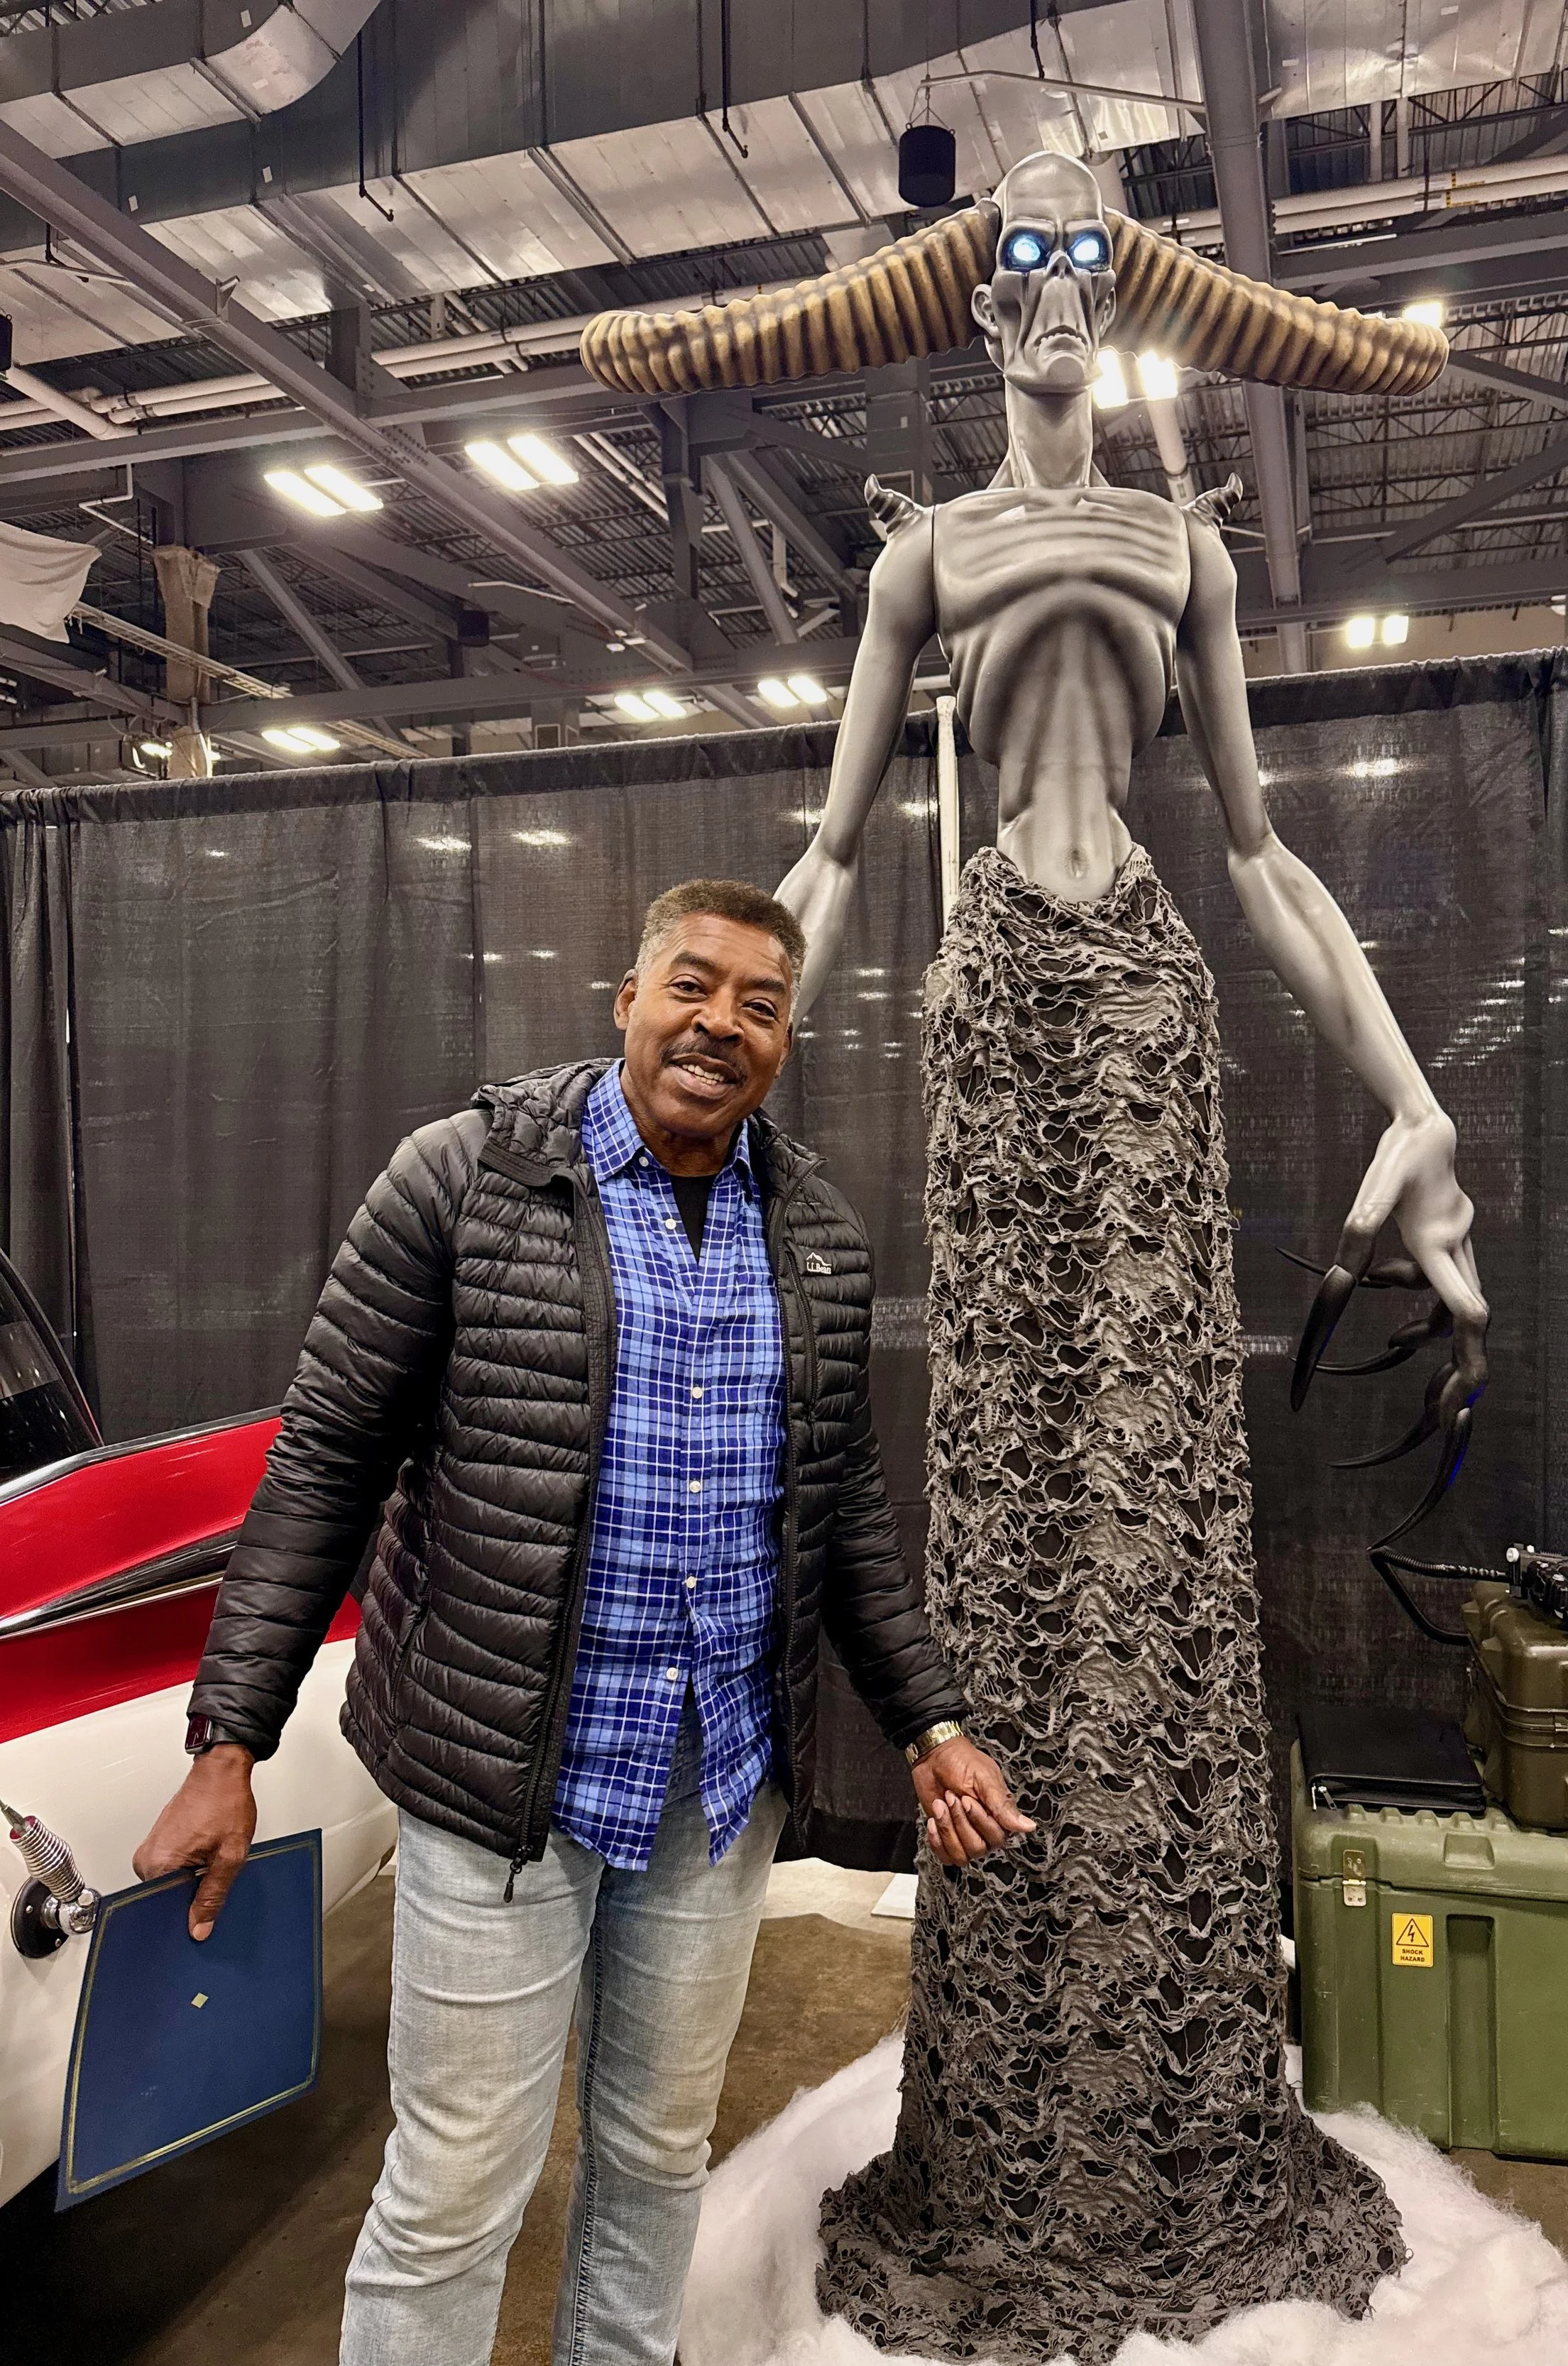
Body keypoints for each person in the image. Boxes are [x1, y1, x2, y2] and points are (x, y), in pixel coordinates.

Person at [579, 153, 1486, 2360]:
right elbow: (825, 845)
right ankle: (1009, 2041)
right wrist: (705, 1069)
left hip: (1144, 998)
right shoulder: (928, 554)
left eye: (1090, 253)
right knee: (1002, 1489)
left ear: (1121, 300)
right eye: (1023, 259)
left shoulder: (1180, 546)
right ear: (984, 313)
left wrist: (1414, 1103)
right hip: (991, 1008)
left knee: (1153, 1501)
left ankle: (1163, 2035)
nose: (1058, 288)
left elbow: (1260, 855)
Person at [134, 876, 1030, 2366]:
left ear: (786, 1040)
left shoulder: (812, 1229)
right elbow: (324, 1467)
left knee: (657, 2154)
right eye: (692, 984)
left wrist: (929, 1720)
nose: (719, 1023)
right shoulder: (462, 1180)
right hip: (502, 1786)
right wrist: (229, 1739)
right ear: (626, 999)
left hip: (712, 1786)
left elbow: (843, 1512)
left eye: (759, 1005)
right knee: (455, 2186)